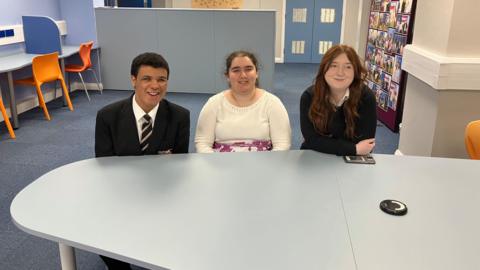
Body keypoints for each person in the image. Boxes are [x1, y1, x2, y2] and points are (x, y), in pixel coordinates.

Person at [95, 52, 190, 269]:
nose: (154, 85)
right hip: (120, 193)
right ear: (133, 80)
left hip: (162, 193)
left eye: (161, 79)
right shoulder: (107, 116)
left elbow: (179, 166)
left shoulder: (179, 116)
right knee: (106, 241)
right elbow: (103, 167)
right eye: (147, 78)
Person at [195, 50, 291, 153]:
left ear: (257, 73)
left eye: (248, 69)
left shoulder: (272, 103)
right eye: (236, 70)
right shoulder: (214, 103)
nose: (243, 75)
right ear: (227, 76)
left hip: (263, 166)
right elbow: (202, 143)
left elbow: (282, 144)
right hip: (221, 165)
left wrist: (265, 167)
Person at [300, 44, 377, 156]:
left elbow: (366, 144)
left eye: (348, 67)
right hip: (315, 156)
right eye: (333, 66)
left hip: (350, 160)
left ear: (355, 72)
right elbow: (311, 140)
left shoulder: (366, 98)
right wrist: (353, 148)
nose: (340, 73)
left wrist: (327, 143)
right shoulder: (309, 97)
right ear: (324, 69)